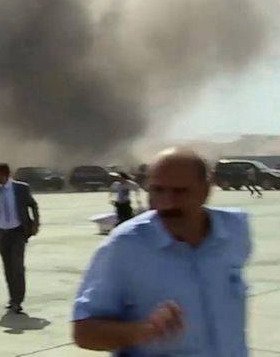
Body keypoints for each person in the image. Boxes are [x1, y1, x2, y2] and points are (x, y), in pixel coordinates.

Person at [71, 148, 251, 357]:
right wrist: (140, 331)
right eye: (157, 190)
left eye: (180, 192)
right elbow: (83, 332)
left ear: (206, 190)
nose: (167, 203)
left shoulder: (235, 230)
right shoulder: (125, 246)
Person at [0, 162, 40, 314]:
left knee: (17, 267)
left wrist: (36, 223)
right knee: (7, 268)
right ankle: (12, 298)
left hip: (18, 232)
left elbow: (33, 205)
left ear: (3, 174)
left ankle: (18, 301)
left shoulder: (21, 188)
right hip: (2, 233)